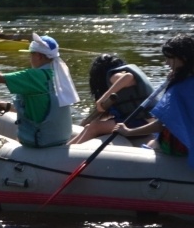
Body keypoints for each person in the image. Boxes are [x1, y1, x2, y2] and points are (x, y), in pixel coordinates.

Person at [0, 33, 78, 148]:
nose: (30, 58)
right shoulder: (58, 76)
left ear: (39, 56)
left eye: (31, 55)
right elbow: (42, 107)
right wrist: (8, 106)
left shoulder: (33, 75)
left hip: (43, 141)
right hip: (60, 138)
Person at [115, 34, 194, 167]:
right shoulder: (185, 81)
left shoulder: (178, 89)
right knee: (152, 142)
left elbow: (160, 124)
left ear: (184, 58)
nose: (167, 63)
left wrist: (128, 131)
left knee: (153, 143)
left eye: (170, 58)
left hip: (182, 147)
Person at [67, 54, 154, 145]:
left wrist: (103, 98)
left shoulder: (113, 75)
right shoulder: (118, 83)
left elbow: (129, 77)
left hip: (141, 123)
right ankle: (67, 148)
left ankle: (69, 152)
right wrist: (84, 123)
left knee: (95, 126)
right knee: (90, 126)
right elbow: (104, 113)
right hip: (138, 121)